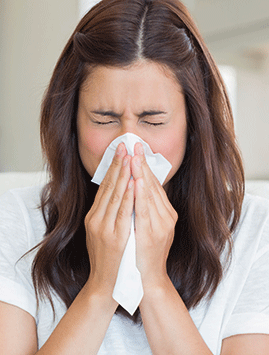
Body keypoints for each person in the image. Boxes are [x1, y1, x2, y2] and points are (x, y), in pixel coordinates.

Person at [0, 0, 269, 354]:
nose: (129, 146)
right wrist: (101, 286)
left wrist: (154, 282)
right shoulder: (15, 219)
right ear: (71, 122)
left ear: (193, 124)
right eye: (104, 119)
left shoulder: (254, 230)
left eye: (153, 121)